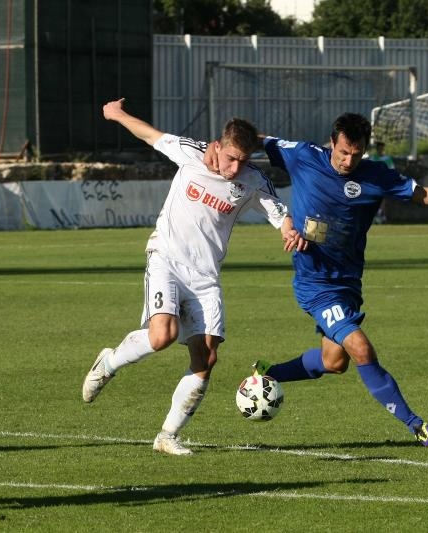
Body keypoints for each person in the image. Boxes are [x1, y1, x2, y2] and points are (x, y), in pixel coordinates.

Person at [204, 112, 428, 447]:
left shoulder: (375, 174)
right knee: (362, 348)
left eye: (357, 154)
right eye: (344, 152)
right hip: (315, 284)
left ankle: (269, 372)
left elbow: (423, 194)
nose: (349, 160)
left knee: (334, 362)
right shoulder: (303, 155)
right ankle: (416, 425)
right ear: (332, 142)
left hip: (348, 283)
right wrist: (212, 150)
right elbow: (252, 138)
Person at [81, 98, 306, 455]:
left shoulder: (252, 180)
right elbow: (151, 136)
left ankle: (167, 436)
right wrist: (118, 114)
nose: (234, 167)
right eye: (231, 157)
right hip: (166, 260)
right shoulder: (190, 152)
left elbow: (279, 213)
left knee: (206, 359)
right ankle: (108, 362)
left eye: (243, 161)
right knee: (162, 336)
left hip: (205, 276)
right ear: (218, 145)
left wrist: (288, 230)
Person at [367, 140, 395, 223]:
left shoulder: (387, 159)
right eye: (378, 148)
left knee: (383, 199)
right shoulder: (373, 158)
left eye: (381, 148)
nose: (380, 149)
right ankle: (375, 216)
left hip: (384, 182)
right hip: (374, 182)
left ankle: (382, 216)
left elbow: (392, 171)